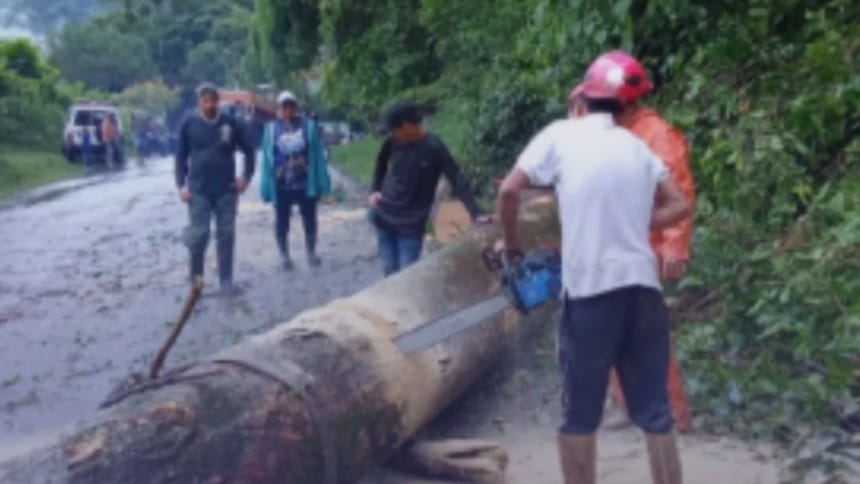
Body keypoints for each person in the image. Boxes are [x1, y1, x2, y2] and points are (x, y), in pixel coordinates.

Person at [496, 53, 692, 484]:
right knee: (656, 412)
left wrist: (511, 246)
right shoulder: (637, 147)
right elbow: (679, 204)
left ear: (583, 98)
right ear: (626, 104)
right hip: (643, 292)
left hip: (590, 294)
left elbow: (509, 191)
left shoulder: (560, 134)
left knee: (580, 415)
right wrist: (633, 222)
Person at [569, 51, 696, 433]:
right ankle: (628, 404)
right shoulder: (604, 130)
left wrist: (673, 244)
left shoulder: (656, 134)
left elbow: (680, 194)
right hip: (610, 245)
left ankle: (669, 410)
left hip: (646, 244)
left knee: (645, 334)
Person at [369, 101, 491, 276]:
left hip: (410, 226)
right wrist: (375, 190)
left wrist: (476, 212)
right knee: (389, 270)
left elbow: (457, 179)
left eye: (394, 129)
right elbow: (381, 163)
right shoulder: (393, 141)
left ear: (406, 126)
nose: (392, 133)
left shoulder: (434, 147)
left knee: (407, 278)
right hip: (384, 216)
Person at [175, 83, 256, 296]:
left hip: (226, 189)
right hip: (198, 190)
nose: (210, 105)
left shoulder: (231, 123)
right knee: (198, 237)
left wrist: (246, 177)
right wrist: (181, 185)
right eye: (205, 101)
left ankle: (226, 281)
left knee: (226, 235)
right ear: (199, 103)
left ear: (219, 101)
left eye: (213, 100)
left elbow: (250, 150)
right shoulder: (189, 123)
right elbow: (180, 157)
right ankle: (196, 283)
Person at [260, 90, 331, 270]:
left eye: (290, 105)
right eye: (284, 106)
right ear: (278, 108)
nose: (287, 110)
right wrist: (267, 185)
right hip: (281, 182)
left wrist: (322, 182)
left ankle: (311, 252)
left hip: (304, 181)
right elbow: (267, 159)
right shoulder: (271, 129)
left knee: (310, 217)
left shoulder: (308, 127)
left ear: (295, 107)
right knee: (282, 219)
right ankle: (284, 255)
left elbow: (317, 155)